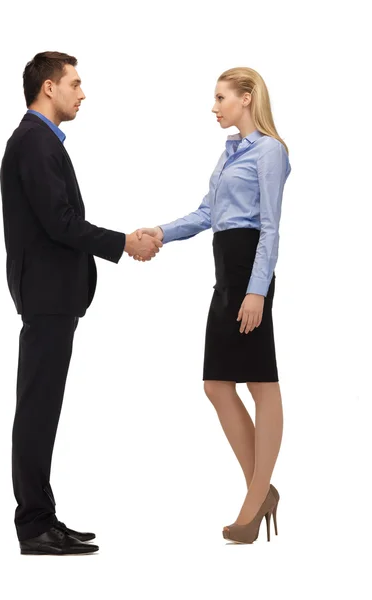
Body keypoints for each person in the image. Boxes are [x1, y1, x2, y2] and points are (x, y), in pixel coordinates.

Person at [0, 51, 162, 555]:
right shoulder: (33, 143)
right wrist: (123, 243)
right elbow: (60, 222)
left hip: (53, 297)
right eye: (75, 83)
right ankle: (34, 525)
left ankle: (43, 518)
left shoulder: (40, 142)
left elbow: (57, 220)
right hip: (46, 297)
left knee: (43, 408)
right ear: (49, 88)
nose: (82, 93)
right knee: (37, 409)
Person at [134, 67, 291, 544]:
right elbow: (207, 214)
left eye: (222, 97)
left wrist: (257, 290)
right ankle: (261, 490)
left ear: (247, 98)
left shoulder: (270, 152)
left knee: (261, 383)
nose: (214, 106)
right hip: (226, 276)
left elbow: (269, 226)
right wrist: (161, 231)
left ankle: (255, 496)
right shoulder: (227, 155)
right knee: (216, 384)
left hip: (249, 273)